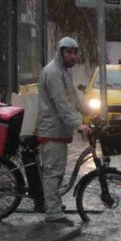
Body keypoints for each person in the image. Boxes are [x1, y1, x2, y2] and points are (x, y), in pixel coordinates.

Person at [35, 37, 91, 225]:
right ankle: (53, 214)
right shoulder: (52, 72)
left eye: (75, 52)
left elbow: (73, 98)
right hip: (52, 130)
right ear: (60, 52)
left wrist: (90, 113)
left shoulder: (64, 72)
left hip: (60, 131)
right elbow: (62, 104)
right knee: (52, 173)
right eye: (68, 52)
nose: (72, 56)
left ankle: (54, 205)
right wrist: (79, 125)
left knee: (57, 172)